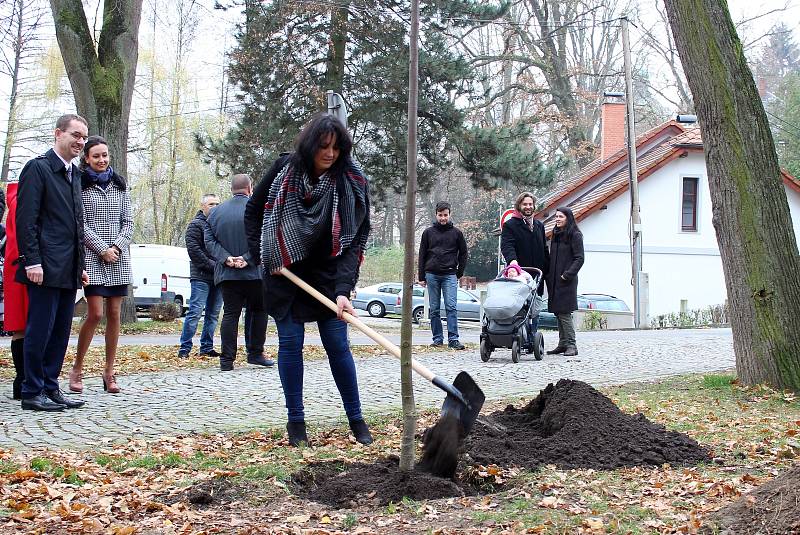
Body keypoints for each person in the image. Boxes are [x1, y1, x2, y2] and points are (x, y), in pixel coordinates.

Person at [244, 113, 372, 447]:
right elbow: (254, 211)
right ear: (310, 144)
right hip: (283, 270)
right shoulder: (285, 170)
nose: (330, 154)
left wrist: (344, 289)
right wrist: (263, 257)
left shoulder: (351, 180)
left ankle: (357, 420)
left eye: (336, 147)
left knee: (337, 345)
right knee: (290, 343)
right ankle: (296, 423)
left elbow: (356, 238)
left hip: (328, 274)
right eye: (323, 147)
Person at [15, 114, 89, 411]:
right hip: (43, 267)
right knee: (40, 330)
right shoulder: (38, 169)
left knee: (60, 332)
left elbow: (76, 224)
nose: (80, 142)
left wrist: (80, 265)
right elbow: (26, 220)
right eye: (75, 135)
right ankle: (32, 391)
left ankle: (50, 386)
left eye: (84, 137)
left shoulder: (74, 174)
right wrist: (32, 261)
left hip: (68, 268)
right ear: (58, 134)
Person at [68, 136, 134, 394]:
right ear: (87, 158)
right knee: (95, 313)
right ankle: (77, 368)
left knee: (115, 314)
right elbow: (79, 223)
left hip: (118, 258)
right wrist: (101, 249)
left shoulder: (120, 185)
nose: (101, 160)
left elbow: (128, 221)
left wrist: (116, 247)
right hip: (93, 258)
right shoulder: (80, 184)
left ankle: (109, 371)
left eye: (104, 155)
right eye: (96, 156)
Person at [205, 174, 273, 371]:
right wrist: (248, 258)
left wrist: (226, 258)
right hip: (255, 273)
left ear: (231, 189)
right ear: (250, 188)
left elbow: (209, 241)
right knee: (259, 311)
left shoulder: (215, 213)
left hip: (228, 274)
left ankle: (227, 360)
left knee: (230, 314)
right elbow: (264, 238)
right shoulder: (258, 210)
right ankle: (255, 353)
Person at [417, 201, 468, 349]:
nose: (443, 218)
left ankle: (453, 339)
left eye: (445, 215)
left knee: (451, 307)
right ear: (436, 215)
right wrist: (421, 276)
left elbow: (463, 253)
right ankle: (438, 339)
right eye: (440, 215)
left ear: (450, 214)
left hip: (450, 275)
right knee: (434, 309)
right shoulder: (428, 233)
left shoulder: (457, 233)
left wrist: (459, 272)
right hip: (431, 274)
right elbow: (422, 254)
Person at [178, 193, 223, 359]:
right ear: (202, 206)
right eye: (211, 204)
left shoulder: (220, 225)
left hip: (218, 277)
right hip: (201, 276)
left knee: (213, 314)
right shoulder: (195, 225)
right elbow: (195, 251)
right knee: (195, 312)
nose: (215, 207)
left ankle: (207, 347)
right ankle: (185, 348)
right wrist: (215, 265)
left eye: (217, 203)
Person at [501, 191, 549, 337]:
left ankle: (532, 336)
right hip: (520, 274)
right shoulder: (510, 225)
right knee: (519, 305)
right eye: (525, 204)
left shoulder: (539, 226)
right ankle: (518, 334)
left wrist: (547, 269)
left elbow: (544, 249)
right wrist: (513, 262)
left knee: (535, 306)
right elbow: (507, 246)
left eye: (530, 204)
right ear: (519, 206)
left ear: (534, 206)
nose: (528, 207)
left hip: (537, 274)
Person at [545, 207, 585, 356]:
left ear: (568, 218)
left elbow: (579, 258)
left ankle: (571, 345)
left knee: (565, 312)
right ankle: (562, 344)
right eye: (556, 217)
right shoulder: (556, 234)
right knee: (558, 312)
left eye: (561, 217)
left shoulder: (575, 235)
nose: (557, 219)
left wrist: (567, 275)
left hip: (566, 281)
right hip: (554, 280)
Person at [3, 181, 28, 400]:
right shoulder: (23, 199)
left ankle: (21, 380)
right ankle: (24, 379)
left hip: (15, 267)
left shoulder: (15, 198)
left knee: (20, 326)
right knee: (27, 325)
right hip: (23, 267)